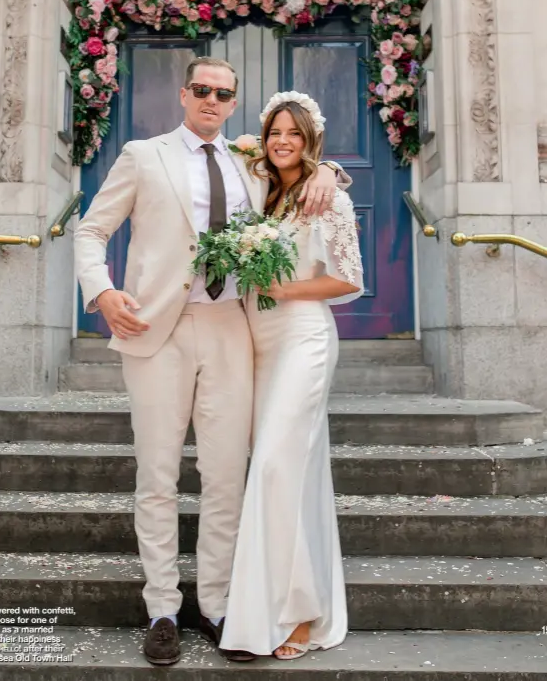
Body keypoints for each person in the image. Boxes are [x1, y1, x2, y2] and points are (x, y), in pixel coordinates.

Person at [74, 57, 347, 666]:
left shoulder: (249, 160)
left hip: (232, 331)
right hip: (156, 330)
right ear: (184, 94)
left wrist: (328, 168)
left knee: (226, 477)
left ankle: (219, 603)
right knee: (159, 476)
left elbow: (294, 162)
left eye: (224, 94)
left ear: (231, 103)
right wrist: (103, 290)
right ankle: (163, 608)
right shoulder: (146, 156)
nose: (211, 100)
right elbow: (90, 231)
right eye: (202, 90)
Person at [219, 91, 364, 660]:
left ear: (311, 141)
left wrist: (282, 290)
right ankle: (274, 601)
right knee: (285, 472)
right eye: (276, 133)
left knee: (279, 462)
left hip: (303, 336)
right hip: (259, 343)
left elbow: (348, 279)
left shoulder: (325, 197)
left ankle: (301, 613)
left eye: (295, 135)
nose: (283, 142)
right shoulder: (266, 193)